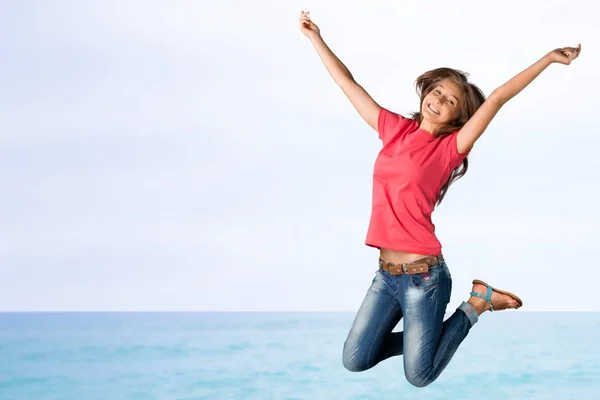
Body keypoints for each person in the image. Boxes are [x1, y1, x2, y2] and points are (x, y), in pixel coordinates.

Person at [299, 10, 581, 387]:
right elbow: (347, 83)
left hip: (424, 278)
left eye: (450, 101)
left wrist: (548, 59)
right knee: (355, 358)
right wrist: (316, 36)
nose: (439, 100)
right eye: (437, 92)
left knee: (419, 374)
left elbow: (496, 98)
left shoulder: (450, 149)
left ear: (456, 116)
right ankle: (432, 335)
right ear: (425, 92)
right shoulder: (393, 129)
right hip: (385, 276)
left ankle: (477, 303)